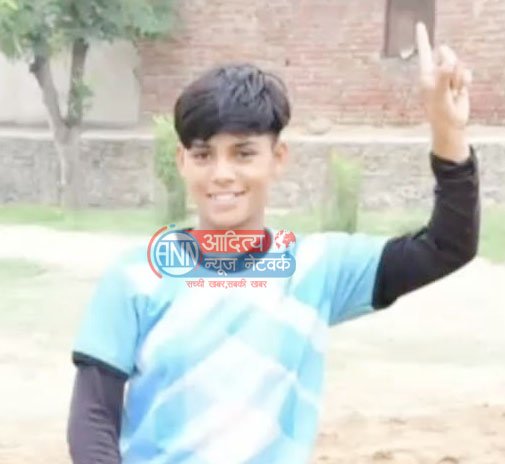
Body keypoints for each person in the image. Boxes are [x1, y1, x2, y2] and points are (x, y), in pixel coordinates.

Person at [67, 23, 479, 464]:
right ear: (182, 161)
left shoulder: (317, 268)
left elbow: (446, 246)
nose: (222, 174)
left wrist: (447, 132)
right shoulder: (136, 277)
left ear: (277, 158)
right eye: (204, 155)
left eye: (243, 153)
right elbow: (93, 418)